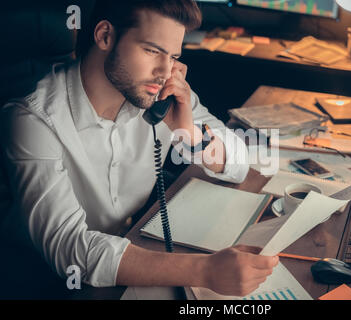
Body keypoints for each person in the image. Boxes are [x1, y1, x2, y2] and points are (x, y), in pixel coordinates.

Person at [0, 0, 279, 297]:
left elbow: (240, 160)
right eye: (152, 50)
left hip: (140, 243)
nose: (164, 70)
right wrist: (205, 270)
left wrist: (191, 136)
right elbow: (70, 248)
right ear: (105, 35)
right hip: (54, 281)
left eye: (173, 56)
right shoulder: (33, 120)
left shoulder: (159, 92)